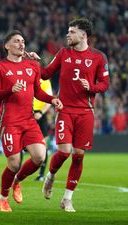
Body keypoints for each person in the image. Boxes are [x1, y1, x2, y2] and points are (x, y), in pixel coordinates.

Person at [0, 30, 63, 212]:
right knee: (14, 163)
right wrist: (11, 89)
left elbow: (37, 91)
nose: (21, 44)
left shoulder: (32, 65)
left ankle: (17, 181)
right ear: (7, 46)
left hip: (29, 120)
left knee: (39, 156)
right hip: (9, 122)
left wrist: (51, 99)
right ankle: (3, 198)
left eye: (22, 41)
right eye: (16, 41)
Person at [41, 18, 109, 212]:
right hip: (65, 110)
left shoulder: (98, 57)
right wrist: (30, 62)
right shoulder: (63, 53)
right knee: (63, 152)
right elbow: (45, 74)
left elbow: (105, 84)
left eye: (71, 31)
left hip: (86, 112)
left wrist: (92, 87)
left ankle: (67, 199)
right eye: (68, 31)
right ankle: (51, 176)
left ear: (83, 35)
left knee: (78, 156)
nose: (68, 35)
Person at [33, 79, 53, 181]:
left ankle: (41, 174)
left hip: (40, 115)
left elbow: (49, 100)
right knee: (19, 142)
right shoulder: (26, 74)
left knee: (43, 143)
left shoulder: (45, 81)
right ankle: (16, 172)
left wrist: (41, 112)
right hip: (26, 112)